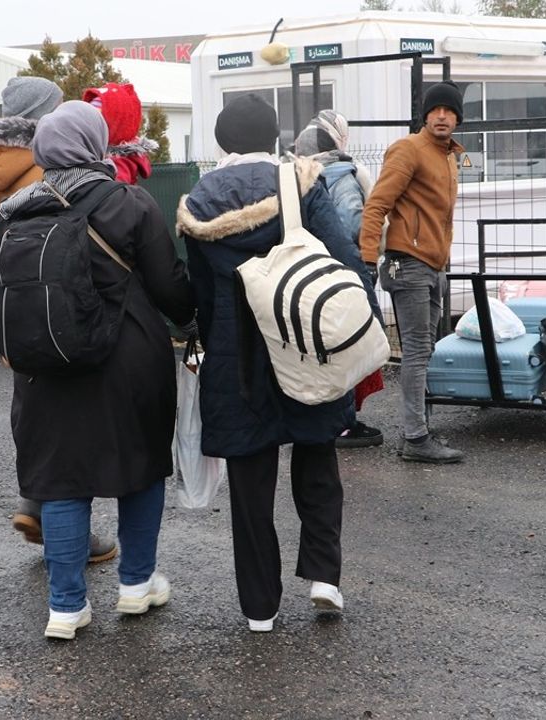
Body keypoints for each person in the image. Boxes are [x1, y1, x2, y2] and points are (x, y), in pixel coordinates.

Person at [0, 101, 196, 639]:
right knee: (141, 469)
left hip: (42, 366)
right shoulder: (128, 202)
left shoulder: (13, 211)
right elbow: (171, 288)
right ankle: (134, 586)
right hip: (129, 363)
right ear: (96, 145)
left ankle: (65, 606)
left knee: (60, 484)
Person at [177, 94, 376, 632]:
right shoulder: (300, 183)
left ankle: (259, 607)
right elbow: (343, 257)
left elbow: (197, 295)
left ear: (222, 142)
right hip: (303, 338)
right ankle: (323, 577)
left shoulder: (197, 203)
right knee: (316, 455)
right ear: (274, 139)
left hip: (233, 353)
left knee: (250, 479)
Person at [0, 78, 119, 564]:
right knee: (71, 423)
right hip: (58, 307)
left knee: (31, 412)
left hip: (11, 305)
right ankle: (63, 529)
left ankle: (34, 502)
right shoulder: (44, 169)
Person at [357, 82, 468, 465]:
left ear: (457, 118)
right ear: (425, 115)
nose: (441, 116)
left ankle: (417, 426)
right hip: (408, 264)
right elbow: (376, 206)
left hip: (433, 265)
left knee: (425, 349)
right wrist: (368, 258)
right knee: (418, 352)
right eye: (435, 109)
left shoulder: (450, 156)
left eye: (449, 111)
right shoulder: (409, 149)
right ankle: (415, 437)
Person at [294, 109, 385, 449]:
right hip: (344, 275)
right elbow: (352, 225)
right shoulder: (342, 174)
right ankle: (343, 423)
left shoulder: (295, 175)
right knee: (345, 347)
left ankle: (325, 417)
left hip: (308, 277)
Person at [82, 82, 157, 185]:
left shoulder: (118, 165)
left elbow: (111, 194)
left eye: (95, 120)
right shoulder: (97, 154)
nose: (86, 126)